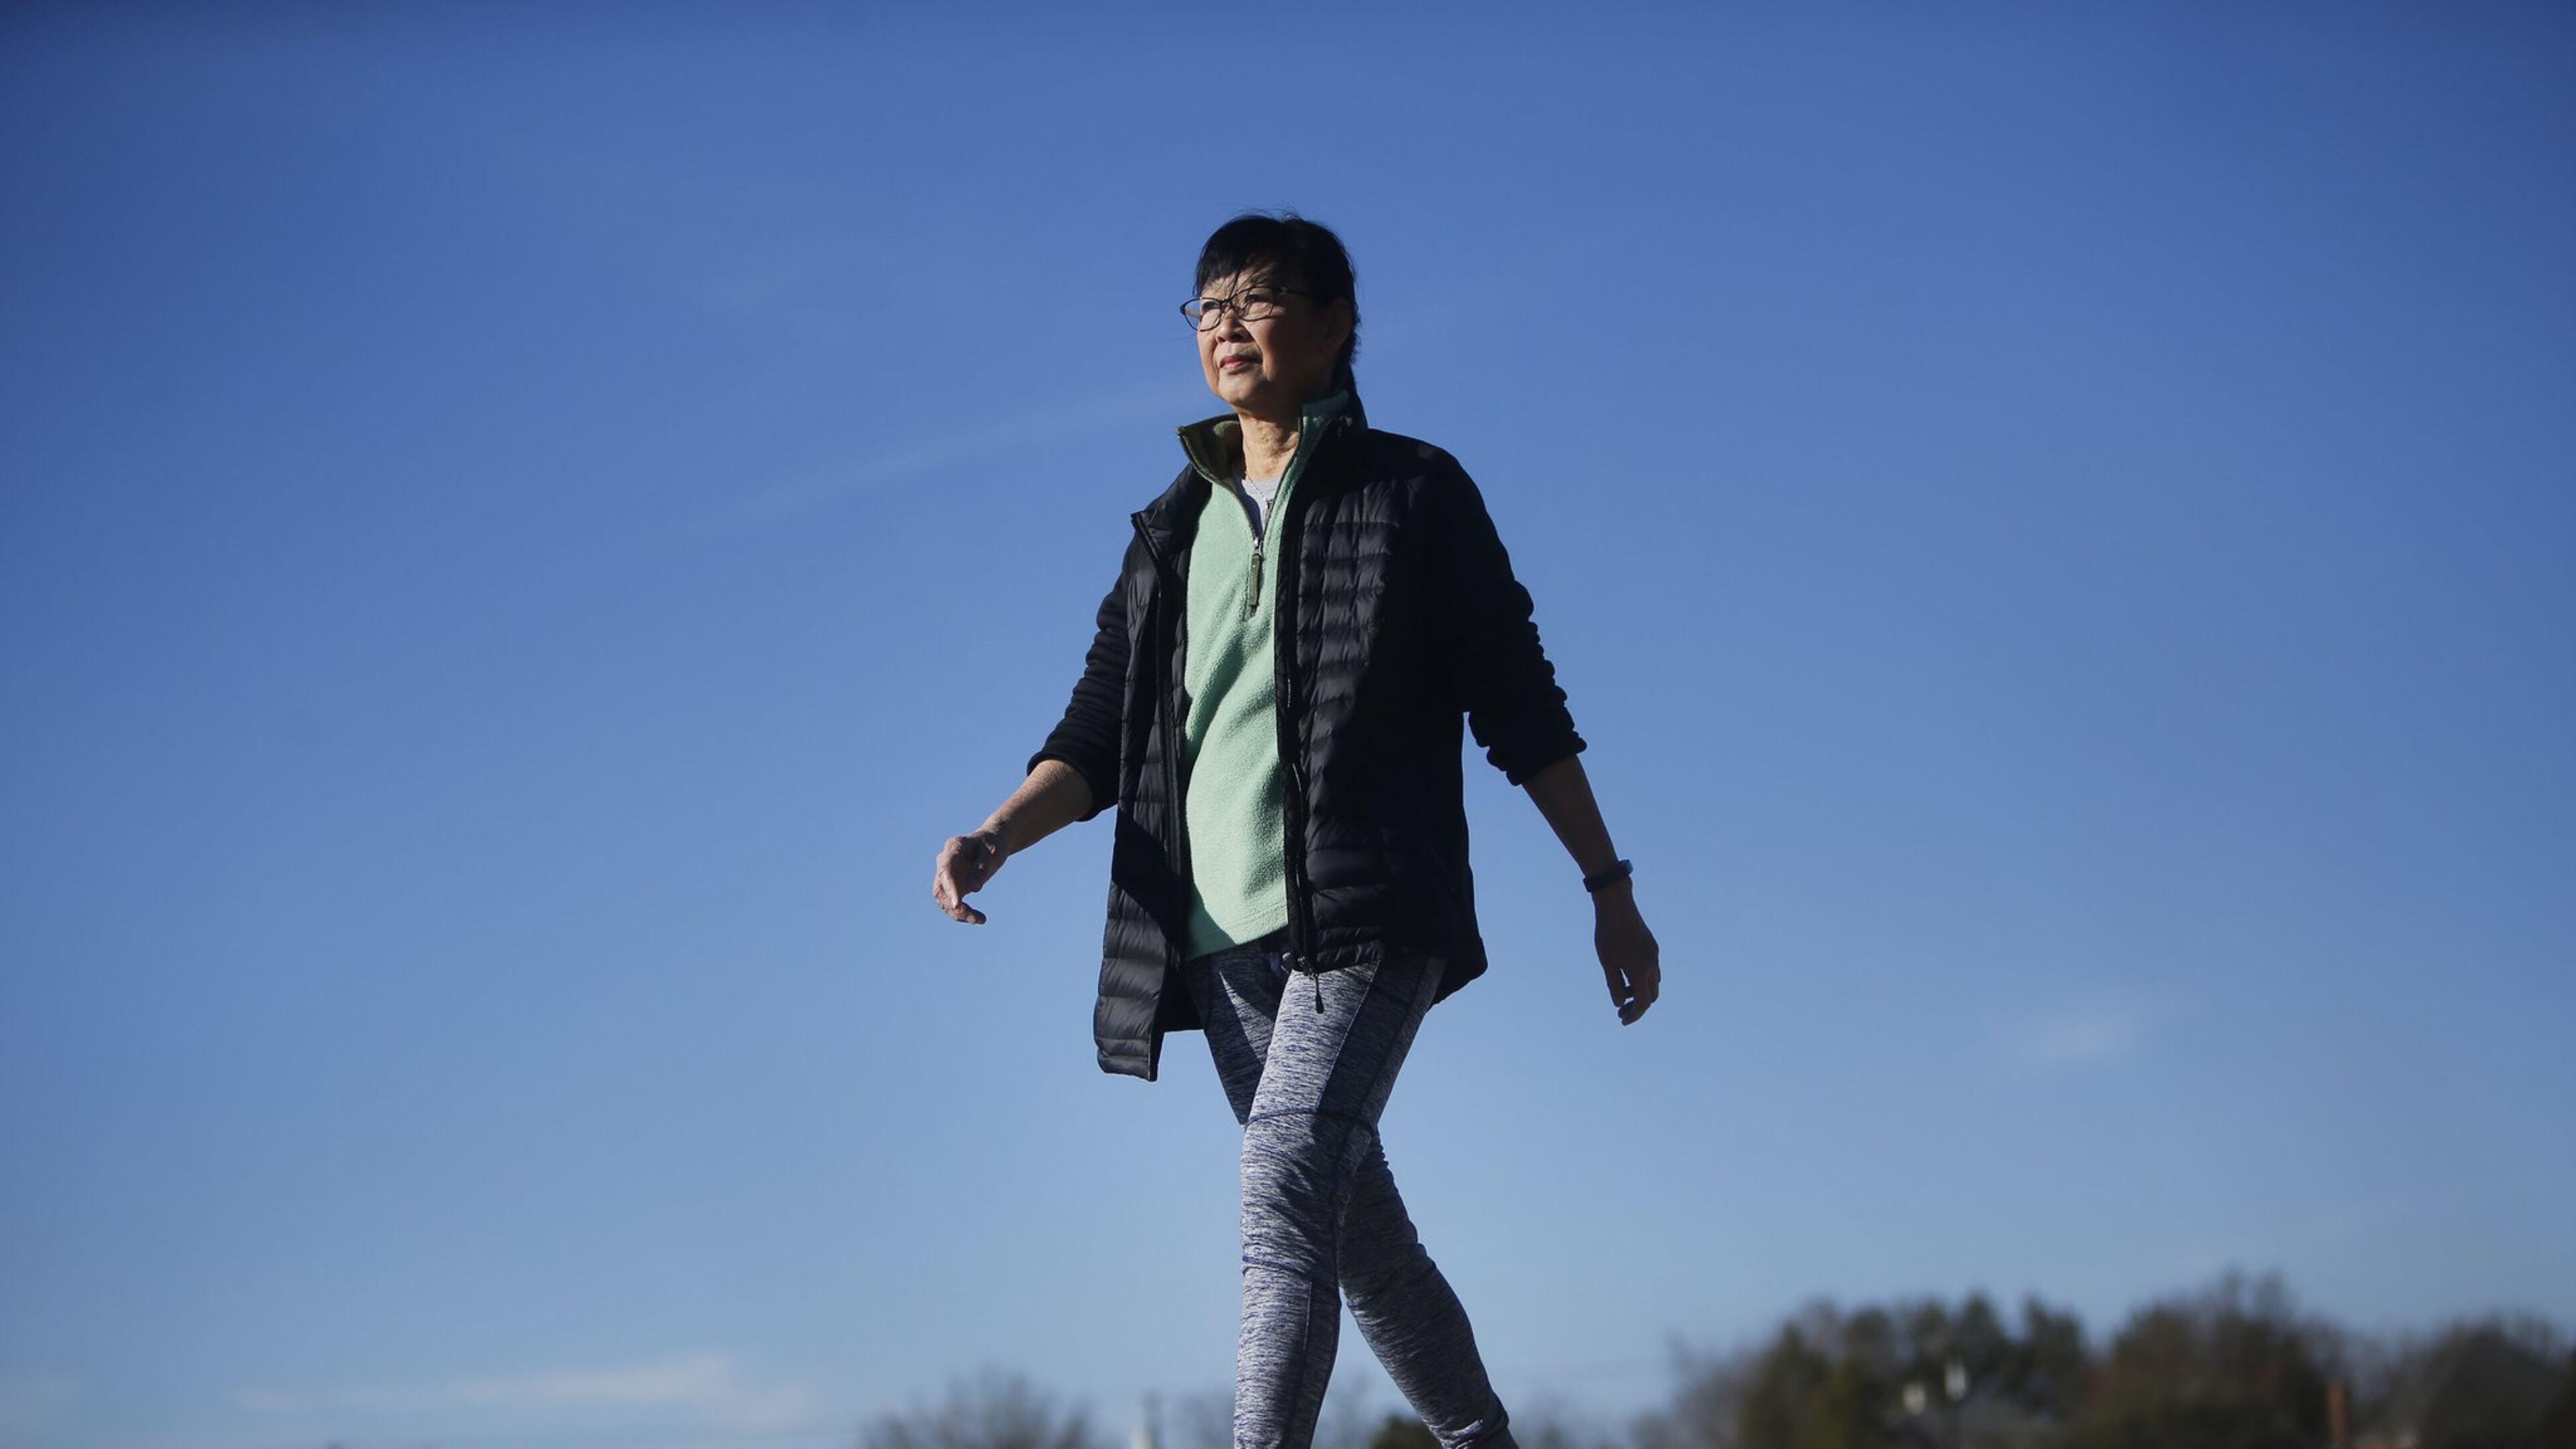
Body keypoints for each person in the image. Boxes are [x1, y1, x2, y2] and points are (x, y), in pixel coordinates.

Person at [930, 211, 1660, 1449]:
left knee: (1279, 1192)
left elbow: (1521, 703)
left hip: (1365, 913)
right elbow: (1099, 732)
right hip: (1214, 941)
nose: (1225, 323)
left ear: (1335, 327)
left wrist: (1607, 885)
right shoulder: (1168, 533)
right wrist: (994, 834)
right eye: (1205, 306)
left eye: (1257, 300)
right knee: (1359, 1240)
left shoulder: (1413, 493)